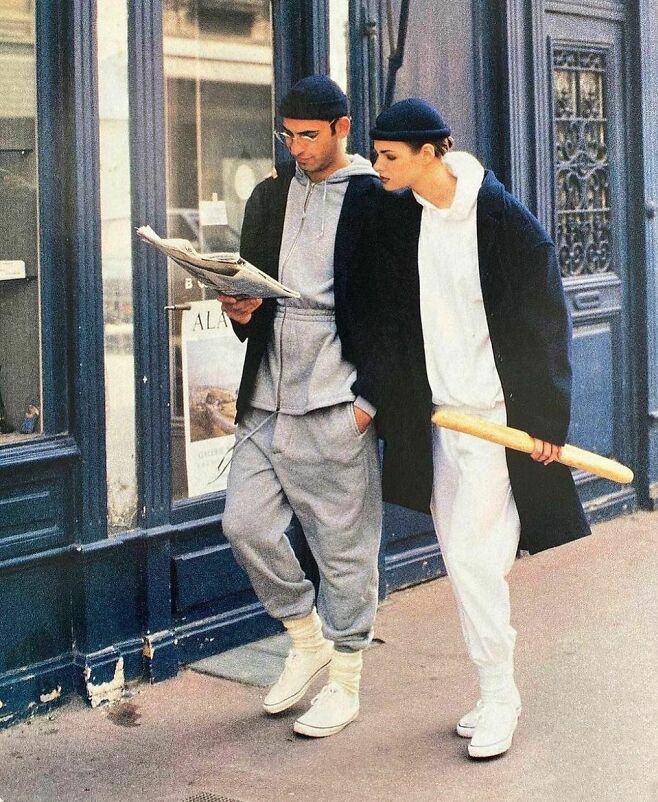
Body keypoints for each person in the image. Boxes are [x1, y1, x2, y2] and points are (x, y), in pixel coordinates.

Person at [363, 98, 591, 758]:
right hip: (438, 421)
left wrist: (546, 418)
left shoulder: (507, 227)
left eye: (389, 157)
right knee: (466, 562)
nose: (378, 167)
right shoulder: (410, 216)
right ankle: (493, 688)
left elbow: (547, 327)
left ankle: (500, 696)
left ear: (430, 153)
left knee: (471, 559)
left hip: (495, 424)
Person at [219, 76, 384, 738]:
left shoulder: (376, 200)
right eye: (287, 136)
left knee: (343, 548)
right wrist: (239, 308)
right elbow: (249, 294)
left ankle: (345, 681)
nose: (296, 149)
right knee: (245, 524)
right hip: (266, 393)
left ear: (343, 129)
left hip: (335, 394)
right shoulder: (267, 195)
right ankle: (305, 638)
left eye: (308, 136)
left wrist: (369, 403)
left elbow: (403, 311)